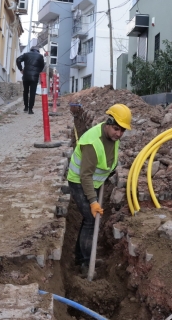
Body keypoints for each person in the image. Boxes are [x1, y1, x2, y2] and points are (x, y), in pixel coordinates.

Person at [67, 103, 132, 272]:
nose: (119, 134)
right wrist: (93, 201)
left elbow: (107, 163)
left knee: (88, 218)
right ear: (108, 123)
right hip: (79, 182)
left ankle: (81, 256)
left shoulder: (112, 137)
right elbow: (85, 176)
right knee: (91, 218)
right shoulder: (92, 143)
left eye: (122, 131)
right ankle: (86, 263)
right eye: (116, 129)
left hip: (94, 182)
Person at [15, 47, 45, 114]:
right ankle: (30, 110)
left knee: (25, 91)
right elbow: (42, 65)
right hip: (34, 77)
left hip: (26, 76)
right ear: (38, 51)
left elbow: (18, 59)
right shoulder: (40, 56)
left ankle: (25, 107)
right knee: (32, 93)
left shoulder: (26, 54)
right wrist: (38, 71)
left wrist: (21, 69)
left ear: (31, 50)